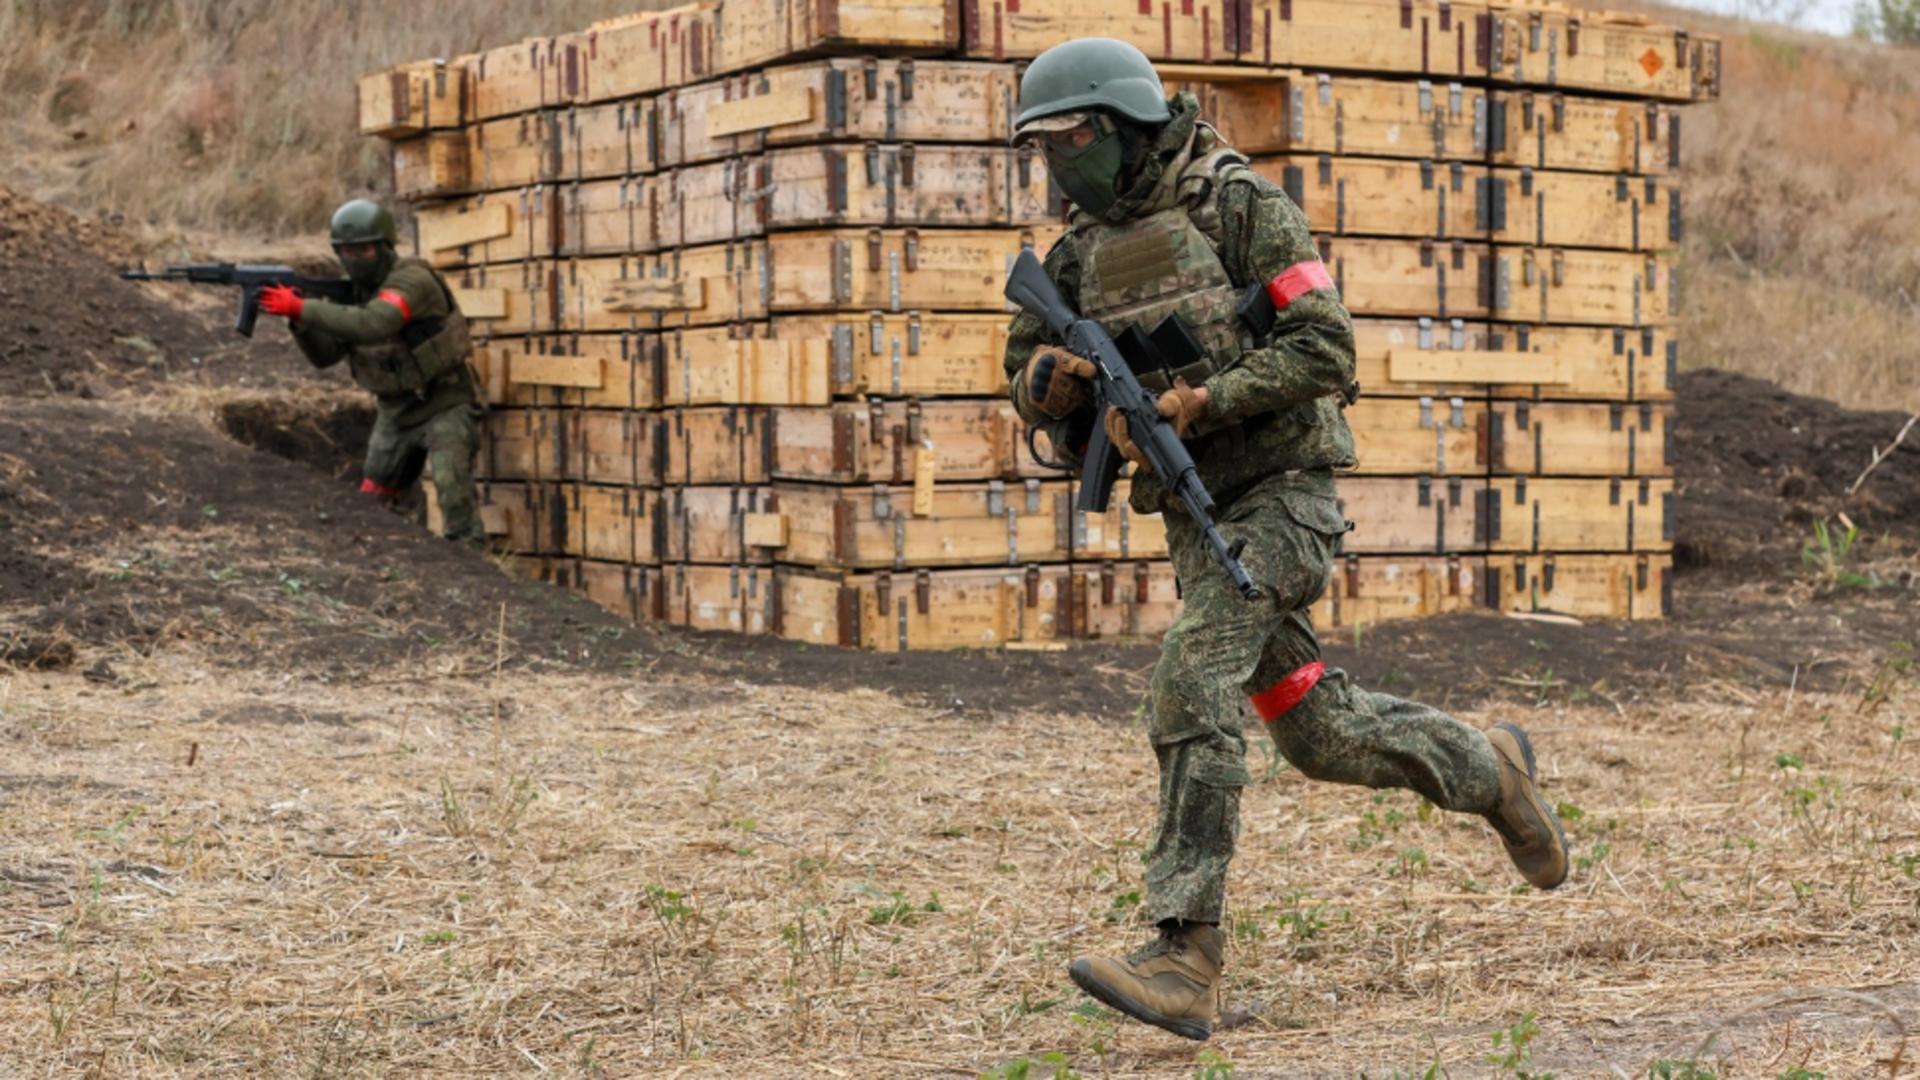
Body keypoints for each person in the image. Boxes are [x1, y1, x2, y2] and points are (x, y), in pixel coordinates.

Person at [1003, 39, 1571, 1042]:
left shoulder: (1238, 206)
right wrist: (1044, 388)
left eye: (1073, 138)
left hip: (1283, 504)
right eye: (1041, 146)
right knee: (1316, 734)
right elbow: (1028, 371)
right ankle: (1491, 770)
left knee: (1189, 679)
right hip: (1199, 523)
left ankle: (1186, 952)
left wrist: (1200, 398)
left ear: (1126, 123)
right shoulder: (1075, 254)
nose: (1059, 160)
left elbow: (1327, 347)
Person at [259, 198, 483, 545]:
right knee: (370, 498)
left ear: (384, 246)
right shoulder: (349, 295)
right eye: (345, 251)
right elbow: (326, 356)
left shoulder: (412, 279)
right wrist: (299, 321)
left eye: (363, 251)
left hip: (445, 400)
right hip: (395, 412)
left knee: (451, 487)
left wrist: (304, 306)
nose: (353, 259)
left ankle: (475, 568)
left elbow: (375, 322)